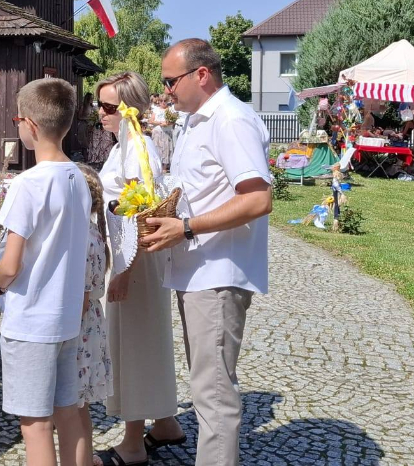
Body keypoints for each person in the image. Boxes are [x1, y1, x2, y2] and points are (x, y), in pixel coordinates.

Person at [142, 39, 273, 466]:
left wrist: (186, 227)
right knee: (206, 386)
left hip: (218, 273)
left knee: (214, 392)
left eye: (170, 81)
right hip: (198, 270)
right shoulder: (196, 122)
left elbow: (257, 199)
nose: (166, 91)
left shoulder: (230, 120)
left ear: (201, 75)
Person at [0, 78, 91, 466]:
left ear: (27, 124)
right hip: (65, 317)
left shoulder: (27, 184)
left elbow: (11, 263)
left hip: (31, 321)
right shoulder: (79, 177)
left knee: (36, 424)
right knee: (69, 412)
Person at [92, 72, 184, 466]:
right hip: (138, 255)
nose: (100, 112)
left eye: (108, 107)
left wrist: (122, 271)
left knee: (131, 345)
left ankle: (132, 444)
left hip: (136, 256)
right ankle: (164, 424)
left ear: (129, 109)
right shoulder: (127, 146)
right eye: (99, 105)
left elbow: (138, 215)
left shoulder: (135, 149)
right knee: (148, 338)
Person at [73, 163, 113, 463]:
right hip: (89, 325)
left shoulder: (82, 239)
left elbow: (82, 297)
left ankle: (82, 459)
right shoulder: (91, 232)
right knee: (78, 404)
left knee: (73, 404)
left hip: (78, 328)